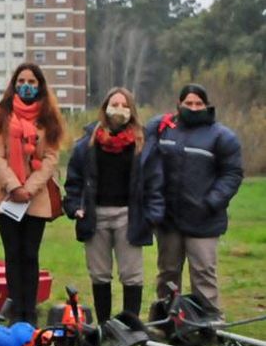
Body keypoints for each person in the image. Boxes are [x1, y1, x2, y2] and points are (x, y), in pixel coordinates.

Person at [62, 87, 164, 322]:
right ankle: (104, 325)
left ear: (132, 110)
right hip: (95, 215)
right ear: (105, 108)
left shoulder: (144, 145)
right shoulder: (86, 144)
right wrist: (74, 206)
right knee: (99, 274)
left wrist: (152, 215)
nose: (119, 110)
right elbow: (74, 180)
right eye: (114, 104)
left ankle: (130, 326)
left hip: (129, 216)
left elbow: (155, 183)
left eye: (124, 105)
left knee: (132, 275)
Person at [146, 84, 244, 318]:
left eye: (198, 103)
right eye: (188, 103)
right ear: (179, 105)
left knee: (203, 273)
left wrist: (212, 202)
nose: (193, 107)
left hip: (204, 220)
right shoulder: (163, 130)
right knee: (168, 272)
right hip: (169, 219)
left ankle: (210, 321)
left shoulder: (222, 136)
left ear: (207, 105)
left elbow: (232, 174)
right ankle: (166, 318)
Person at [0, 62, 65, 325]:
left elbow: (52, 157)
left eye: (32, 82)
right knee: (13, 253)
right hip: (7, 195)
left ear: (40, 85)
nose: (26, 86)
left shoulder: (50, 117)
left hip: (36, 196)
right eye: (22, 81)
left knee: (30, 253)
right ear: (13, 84)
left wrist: (28, 188)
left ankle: (29, 313)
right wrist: (14, 186)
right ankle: (15, 309)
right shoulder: (0, 114)